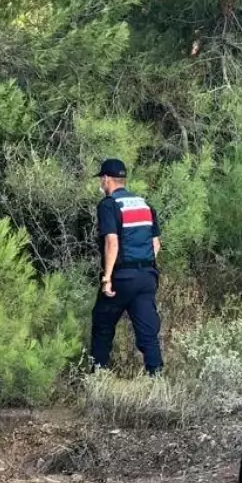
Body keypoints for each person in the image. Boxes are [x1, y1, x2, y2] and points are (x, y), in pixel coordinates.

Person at [92, 158, 164, 375]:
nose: (102, 184)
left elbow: (112, 242)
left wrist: (107, 277)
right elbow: (156, 244)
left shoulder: (109, 204)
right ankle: (156, 378)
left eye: (102, 179)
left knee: (102, 325)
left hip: (122, 276)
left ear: (106, 179)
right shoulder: (144, 204)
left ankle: (99, 376)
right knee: (148, 332)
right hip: (146, 276)